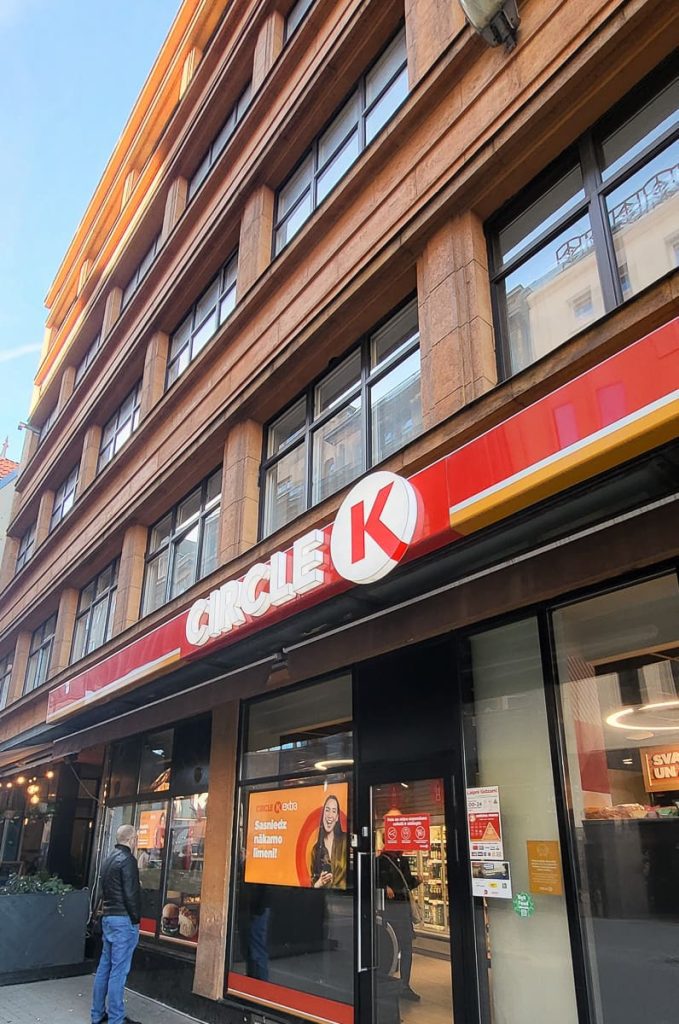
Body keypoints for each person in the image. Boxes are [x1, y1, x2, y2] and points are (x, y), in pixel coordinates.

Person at [91, 825, 142, 1024]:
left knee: (105, 967)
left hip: (109, 919)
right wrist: (136, 918)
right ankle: (116, 1019)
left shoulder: (108, 858)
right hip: (123, 921)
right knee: (118, 971)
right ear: (132, 839)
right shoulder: (128, 860)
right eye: (136, 838)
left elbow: (105, 891)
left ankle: (97, 1014)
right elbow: (131, 894)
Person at [377, 849, 421, 1002]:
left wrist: (416, 881)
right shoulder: (380, 861)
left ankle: (404, 984)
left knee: (407, 948)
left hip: (403, 910)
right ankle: (387, 980)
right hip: (390, 912)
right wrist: (384, 888)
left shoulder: (403, 861)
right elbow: (374, 882)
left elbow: (407, 883)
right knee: (390, 948)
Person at [310, 794, 347, 889]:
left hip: (345, 899)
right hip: (325, 897)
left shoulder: (346, 840)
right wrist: (320, 882)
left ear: (337, 817)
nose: (330, 815)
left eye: (334, 811)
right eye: (327, 810)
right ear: (322, 816)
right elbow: (312, 885)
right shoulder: (316, 850)